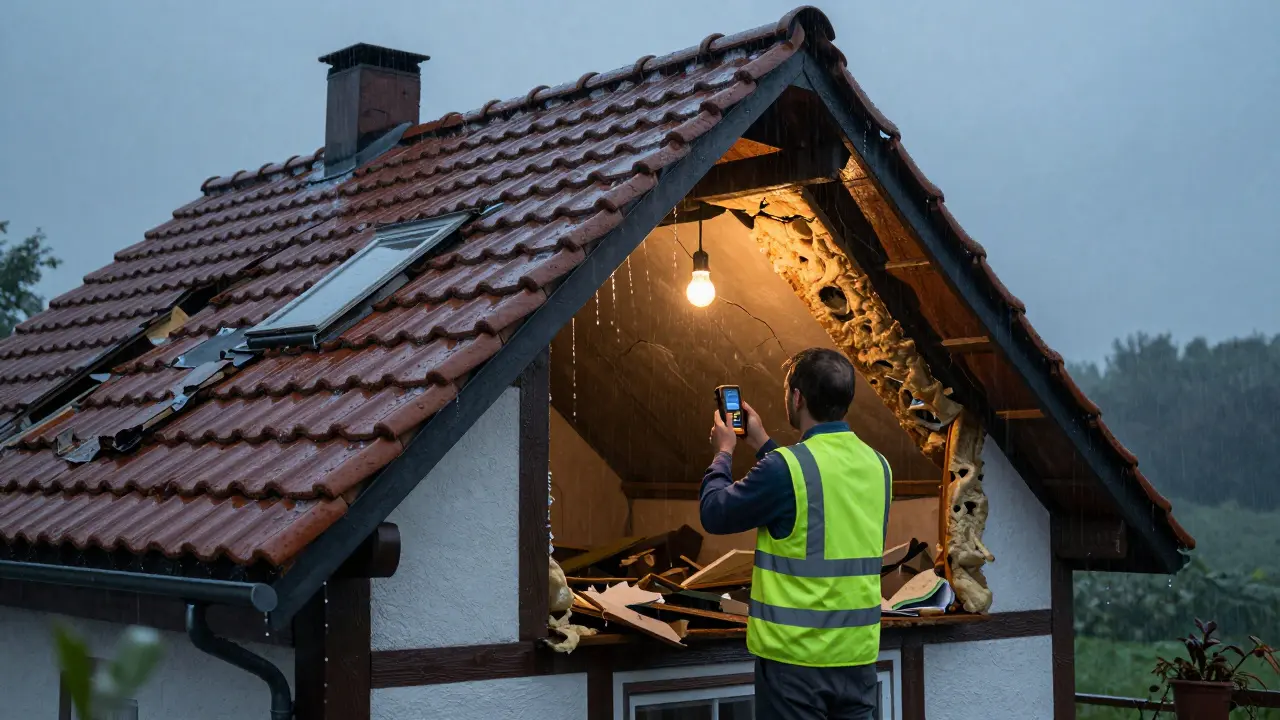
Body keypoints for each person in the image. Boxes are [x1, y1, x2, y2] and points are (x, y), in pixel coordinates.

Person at [701, 348, 892, 720]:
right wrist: (762, 444)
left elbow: (715, 513)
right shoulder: (879, 466)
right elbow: (821, 497)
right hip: (857, 662)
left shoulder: (785, 469)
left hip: (794, 666)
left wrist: (723, 453)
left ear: (797, 397)